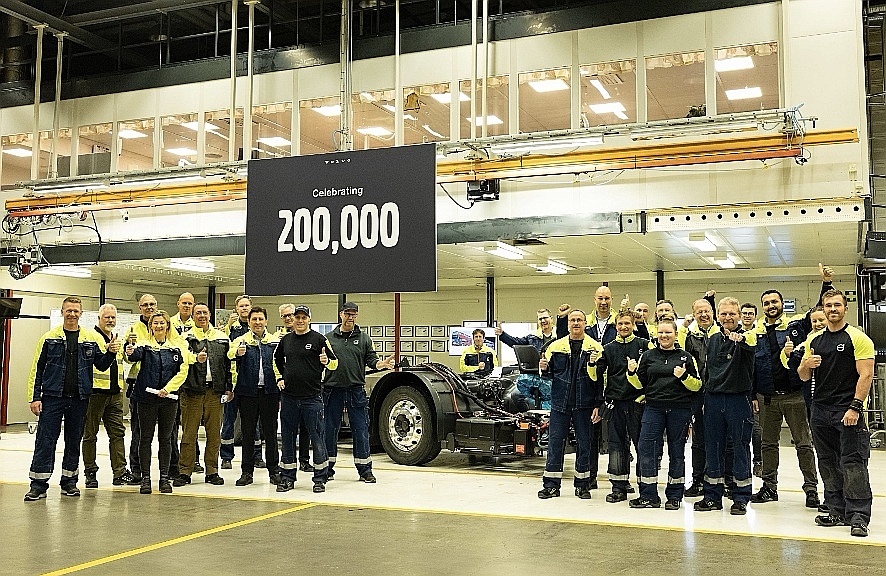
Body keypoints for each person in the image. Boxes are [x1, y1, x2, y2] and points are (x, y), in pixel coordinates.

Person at [24, 296, 120, 501]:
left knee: (74, 441)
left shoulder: (89, 338)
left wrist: (111, 353)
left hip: (79, 399)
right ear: (62, 312)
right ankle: (38, 485)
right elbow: (37, 369)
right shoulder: (49, 338)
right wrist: (34, 397)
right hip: (52, 398)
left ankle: (69, 482)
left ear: (81, 314)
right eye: (68, 310)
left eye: (76, 311)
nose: (72, 314)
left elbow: (101, 365)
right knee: (45, 441)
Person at [798, 289, 875, 538]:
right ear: (823, 308)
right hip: (820, 411)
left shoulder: (858, 338)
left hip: (847, 411)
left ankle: (858, 516)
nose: (832, 309)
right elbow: (803, 376)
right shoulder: (814, 340)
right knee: (827, 462)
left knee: (853, 463)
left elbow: (866, 375)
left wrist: (855, 407)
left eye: (837, 305)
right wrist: (805, 364)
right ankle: (836, 509)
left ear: (845, 308)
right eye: (828, 305)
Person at [751, 289, 820, 509]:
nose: (771, 305)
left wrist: (826, 283)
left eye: (774, 301)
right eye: (766, 303)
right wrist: (753, 395)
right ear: (762, 307)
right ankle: (769, 487)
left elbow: (818, 311)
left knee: (803, 443)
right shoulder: (756, 332)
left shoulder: (795, 326)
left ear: (781, 303)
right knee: (768, 444)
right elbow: (752, 367)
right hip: (767, 398)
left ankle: (811, 489)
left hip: (794, 396)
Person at [627, 317, 700, 509]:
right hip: (653, 409)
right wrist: (631, 373)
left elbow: (697, 385)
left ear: (675, 334)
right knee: (646, 449)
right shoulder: (648, 356)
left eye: (668, 332)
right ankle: (648, 495)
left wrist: (683, 376)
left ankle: (674, 496)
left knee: (677, 452)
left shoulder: (686, 357)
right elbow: (639, 385)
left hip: (679, 410)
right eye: (661, 332)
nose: (664, 335)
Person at [694, 297, 758, 516]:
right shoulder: (713, 339)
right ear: (717, 316)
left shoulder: (747, 337)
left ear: (739, 315)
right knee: (712, 448)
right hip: (713, 400)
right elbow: (708, 370)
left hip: (737, 400)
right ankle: (712, 496)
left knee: (740, 447)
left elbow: (751, 343)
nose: (728, 317)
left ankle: (741, 497)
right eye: (724, 314)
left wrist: (742, 339)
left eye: (732, 313)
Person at [323, 302, 395, 483]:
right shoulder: (328, 338)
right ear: (341, 314)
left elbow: (372, 360)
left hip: (356, 391)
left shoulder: (364, 339)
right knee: (330, 430)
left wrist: (381, 364)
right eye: (348, 314)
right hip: (332, 390)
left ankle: (365, 470)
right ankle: (326, 469)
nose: (351, 317)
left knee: (361, 430)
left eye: (354, 314)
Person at [537, 310, 603, 500]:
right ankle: (551, 485)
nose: (576, 323)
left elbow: (600, 380)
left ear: (585, 323)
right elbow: (549, 376)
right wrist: (544, 369)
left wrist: (598, 405)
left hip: (585, 405)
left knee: (585, 444)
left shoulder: (596, 348)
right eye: (572, 320)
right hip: (560, 404)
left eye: (579, 320)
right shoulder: (555, 347)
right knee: (555, 443)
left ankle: (582, 485)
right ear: (567, 324)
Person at [274, 305, 338, 493]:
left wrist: (327, 362)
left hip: (312, 399)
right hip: (289, 399)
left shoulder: (319, 339)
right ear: (293, 319)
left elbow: (335, 363)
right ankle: (287, 478)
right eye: (297, 317)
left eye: (304, 317)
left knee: (317, 439)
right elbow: (275, 360)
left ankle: (320, 478)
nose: (300, 321)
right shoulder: (285, 340)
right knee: (287, 439)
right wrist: (279, 378)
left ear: (309, 319)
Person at [125, 310, 189, 494]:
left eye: (162, 323)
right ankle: (145, 478)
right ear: (150, 326)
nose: (159, 326)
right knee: (145, 438)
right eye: (155, 323)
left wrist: (168, 389)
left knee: (166, 439)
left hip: (169, 400)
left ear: (167, 325)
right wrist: (129, 349)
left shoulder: (176, 347)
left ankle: (164, 478)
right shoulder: (144, 345)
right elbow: (132, 356)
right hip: (145, 399)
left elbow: (182, 371)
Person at [592, 309, 651, 503]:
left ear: (633, 324)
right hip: (615, 404)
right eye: (620, 324)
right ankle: (619, 487)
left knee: (642, 446)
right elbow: (596, 375)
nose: (624, 327)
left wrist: (645, 395)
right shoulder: (607, 348)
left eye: (627, 323)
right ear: (615, 326)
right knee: (616, 446)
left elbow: (652, 373)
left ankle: (646, 489)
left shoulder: (644, 345)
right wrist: (591, 364)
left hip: (637, 404)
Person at [174, 303, 232, 487]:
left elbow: (228, 365)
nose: (201, 316)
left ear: (210, 315)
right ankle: (185, 471)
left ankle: (212, 471)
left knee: (214, 435)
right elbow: (180, 363)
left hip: (215, 392)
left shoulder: (222, 338)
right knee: (188, 435)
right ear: (193, 316)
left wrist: (228, 387)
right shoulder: (185, 338)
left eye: (204, 312)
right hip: (191, 392)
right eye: (197, 313)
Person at [82, 304, 139, 489]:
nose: (110, 320)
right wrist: (107, 349)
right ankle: (90, 473)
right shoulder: (90, 337)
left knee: (117, 434)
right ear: (99, 318)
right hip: (95, 394)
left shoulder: (117, 338)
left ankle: (120, 472)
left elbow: (126, 360)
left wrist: (130, 346)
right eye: (107, 317)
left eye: (113, 317)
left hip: (115, 394)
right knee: (90, 435)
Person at [228, 306, 282, 486]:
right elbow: (229, 355)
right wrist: (237, 353)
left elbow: (281, 366)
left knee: (271, 433)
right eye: (254, 319)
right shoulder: (240, 340)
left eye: (260, 319)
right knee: (248, 433)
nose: (257, 322)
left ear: (266, 321)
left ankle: (274, 471)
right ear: (249, 322)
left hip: (270, 393)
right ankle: (247, 472)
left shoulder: (274, 342)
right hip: (247, 393)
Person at [678, 298, 719, 497]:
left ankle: (722, 480)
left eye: (706, 311)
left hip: (719, 393)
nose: (703, 315)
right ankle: (698, 480)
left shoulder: (721, 334)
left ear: (712, 312)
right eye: (699, 312)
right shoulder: (689, 336)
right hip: (697, 395)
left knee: (721, 440)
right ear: (694, 315)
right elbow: (682, 359)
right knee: (699, 441)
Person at [220, 294, 263, 469]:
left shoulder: (257, 327)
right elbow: (224, 352)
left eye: (247, 306)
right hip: (232, 382)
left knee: (253, 422)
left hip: (251, 382)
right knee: (228, 420)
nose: (244, 308)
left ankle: (257, 456)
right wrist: (228, 327)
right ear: (236, 309)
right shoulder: (230, 329)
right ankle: (226, 457)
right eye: (241, 306)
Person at [124, 293, 158, 482]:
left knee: (168, 433)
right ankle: (137, 470)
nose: (149, 307)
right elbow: (127, 357)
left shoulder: (165, 326)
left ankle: (170, 469)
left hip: (162, 386)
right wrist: (129, 348)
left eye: (152, 304)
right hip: (138, 384)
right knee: (138, 431)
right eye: (145, 305)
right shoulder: (132, 330)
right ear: (140, 307)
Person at [276, 303, 314, 472]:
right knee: (287, 428)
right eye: (284, 316)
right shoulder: (278, 338)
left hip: (307, 391)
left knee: (306, 427)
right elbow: (275, 361)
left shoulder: (310, 337)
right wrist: (279, 378)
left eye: (290, 315)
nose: (289, 318)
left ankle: (304, 460)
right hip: (286, 390)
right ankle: (286, 461)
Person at [495, 308, 557, 408]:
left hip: (554, 377)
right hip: (534, 376)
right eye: (540, 319)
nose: (543, 321)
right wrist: (502, 334)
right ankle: (530, 414)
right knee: (516, 395)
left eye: (545, 318)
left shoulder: (560, 337)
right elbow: (516, 342)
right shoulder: (532, 337)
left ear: (551, 318)